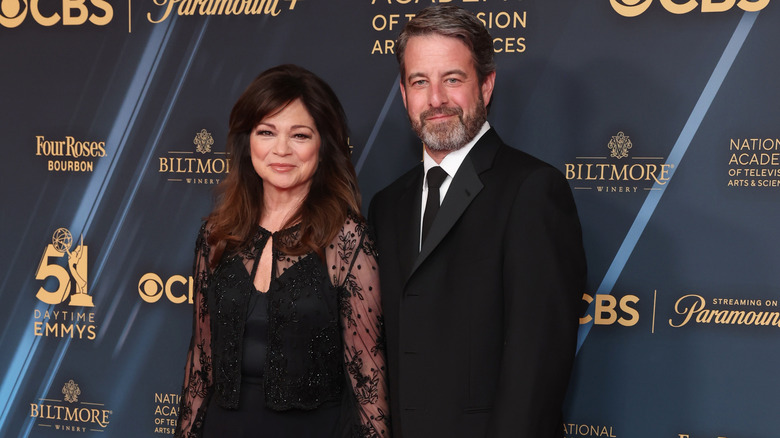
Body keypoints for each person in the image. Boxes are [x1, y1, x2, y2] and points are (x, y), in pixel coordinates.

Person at [367, 5, 587, 438]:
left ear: (485, 86)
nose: (435, 100)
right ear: (403, 92)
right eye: (419, 82)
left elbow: (537, 367)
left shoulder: (532, 191)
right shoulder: (387, 205)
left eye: (452, 79)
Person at [175, 64, 389, 438]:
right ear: (248, 142)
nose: (281, 149)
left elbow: (368, 377)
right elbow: (200, 363)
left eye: (300, 135)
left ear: (323, 145)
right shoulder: (216, 234)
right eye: (267, 132)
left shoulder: (346, 240)